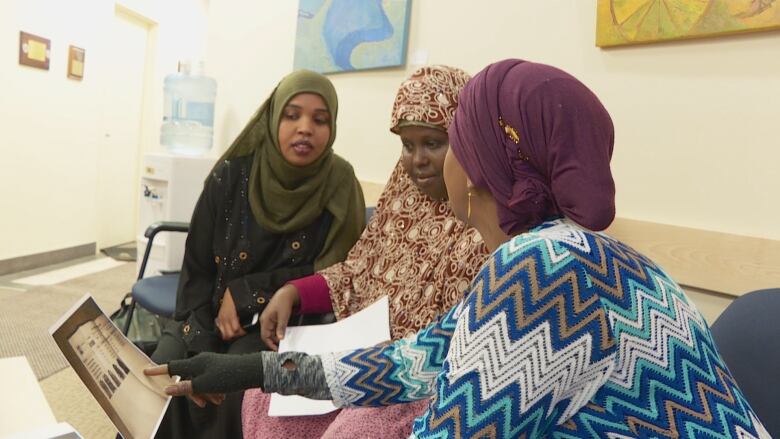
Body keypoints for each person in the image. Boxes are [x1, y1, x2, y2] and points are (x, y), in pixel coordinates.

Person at [147, 60, 770, 438]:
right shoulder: (585, 255)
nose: (422, 162)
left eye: (448, 140)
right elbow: (417, 360)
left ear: (477, 167)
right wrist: (248, 371)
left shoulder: (539, 271)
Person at [241, 65, 489, 438]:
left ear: (467, 142)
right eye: (407, 145)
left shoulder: (486, 220)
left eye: (433, 143)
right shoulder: (403, 200)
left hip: (419, 385)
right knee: (262, 392)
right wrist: (292, 293)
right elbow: (358, 272)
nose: (417, 160)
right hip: (359, 358)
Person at [150, 69, 365, 438]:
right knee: (159, 374)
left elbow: (340, 273)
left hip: (284, 326)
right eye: (292, 114)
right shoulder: (231, 176)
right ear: (273, 116)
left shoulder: (340, 184)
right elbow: (198, 270)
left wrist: (249, 292)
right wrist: (202, 338)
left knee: (236, 384)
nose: (305, 128)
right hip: (207, 312)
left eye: (320, 119)